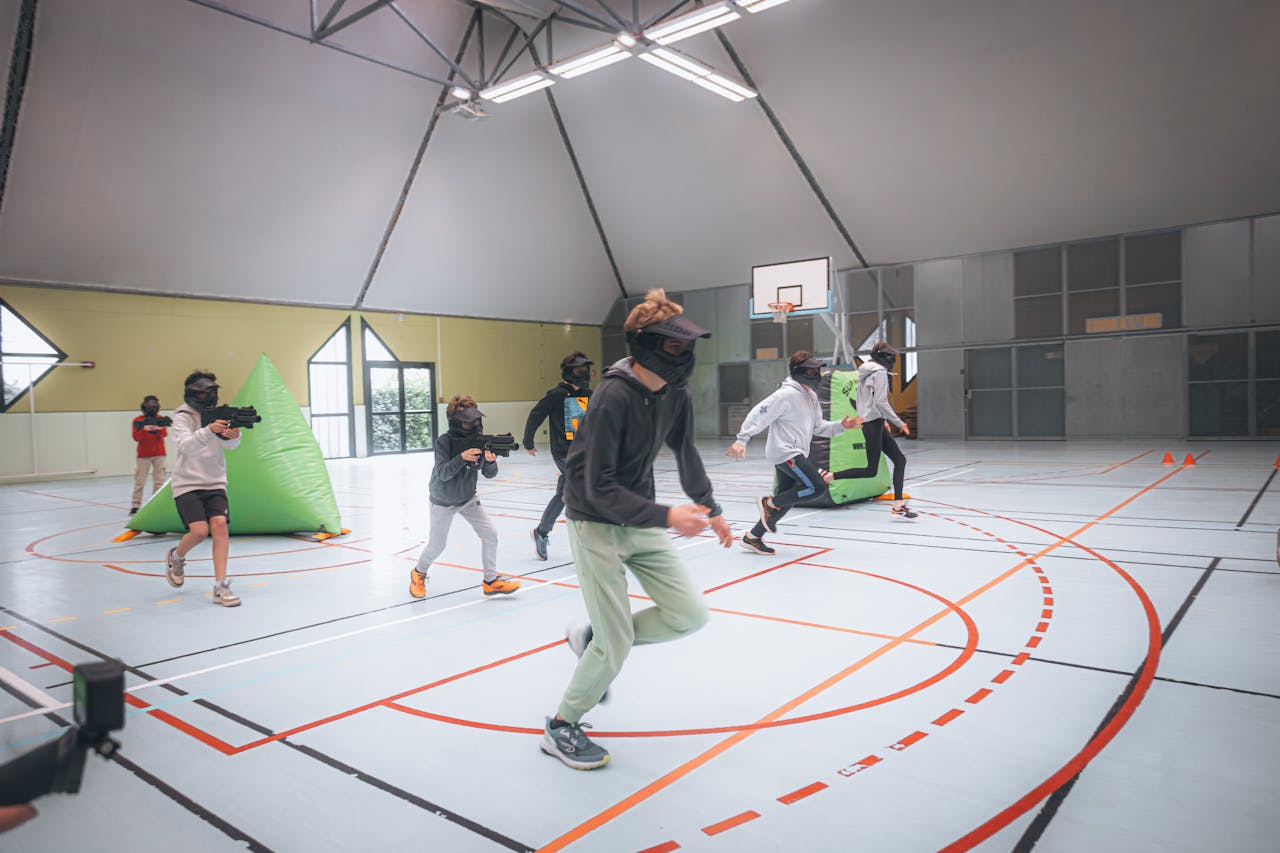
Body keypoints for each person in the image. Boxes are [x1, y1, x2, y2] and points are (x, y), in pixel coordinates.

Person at [540, 289, 733, 771]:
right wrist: (670, 516)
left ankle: (593, 641)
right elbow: (597, 487)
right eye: (673, 346)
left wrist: (709, 507)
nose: (684, 355)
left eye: (686, 346)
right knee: (617, 643)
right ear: (646, 344)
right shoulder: (611, 398)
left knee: (688, 615)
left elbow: (685, 451)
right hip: (596, 523)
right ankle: (562, 725)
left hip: (640, 518)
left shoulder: (675, 393)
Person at [727, 352, 861, 554]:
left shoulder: (812, 396)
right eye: (811, 370)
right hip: (784, 452)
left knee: (787, 498)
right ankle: (768, 503)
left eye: (817, 369)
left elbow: (819, 427)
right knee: (816, 487)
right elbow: (759, 413)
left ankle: (752, 537)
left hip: (796, 452)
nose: (816, 373)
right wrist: (742, 439)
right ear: (799, 372)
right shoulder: (785, 395)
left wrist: (842, 425)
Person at [409, 396, 521, 599]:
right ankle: (418, 573)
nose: (475, 425)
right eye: (469, 421)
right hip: (443, 501)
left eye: (477, 420)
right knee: (437, 546)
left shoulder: (480, 440)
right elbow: (443, 473)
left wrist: (490, 461)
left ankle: (490, 581)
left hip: (468, 498)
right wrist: (462, 458)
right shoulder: (444, 441)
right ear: (456, 422)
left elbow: (489, 474)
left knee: (490, 535)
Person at [164, 372, 242, 606]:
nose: (207, 397)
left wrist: (232, 436)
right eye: (202, 392)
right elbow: (186, 446)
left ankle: (221, 586)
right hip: (187, 483)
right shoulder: (182, 416)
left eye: (211, 392)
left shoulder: (221, 414)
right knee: (198, 532)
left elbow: (232, 446)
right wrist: (209, 429)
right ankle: (176, 557)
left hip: (215, 481)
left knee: (219, 526)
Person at [832, 342, 917, 520]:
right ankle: (831, 476)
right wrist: (898, 422)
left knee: (900, 460)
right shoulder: (878, 372)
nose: (892, 359)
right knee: (870, 470)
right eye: (889, 356)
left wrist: (882, 420)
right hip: (872, 424)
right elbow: (880, 402)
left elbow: (864, 401)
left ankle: (898, 505)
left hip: (875, 422)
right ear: (880, 357)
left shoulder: (865, 371)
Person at [522, 352, 593, 561]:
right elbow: (536, 415)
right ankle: (585, 548)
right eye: (579, 369)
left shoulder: (588, 394)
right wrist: (529, 441)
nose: (584, 373)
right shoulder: (556, 394)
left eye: (585, 369)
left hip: (583, 452)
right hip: (563, 452)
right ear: (569, 372)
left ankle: (541, 532)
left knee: (563, 494)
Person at [130, 395, 167, 514]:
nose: (152, 408)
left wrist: (157, 429)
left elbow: (164, 433)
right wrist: (145, 430)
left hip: (159, 454)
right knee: (140, 481)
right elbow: (136, 437)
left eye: (154, 405)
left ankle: (156, 504)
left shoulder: (161, 418)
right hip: (143, 455)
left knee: (159, 481)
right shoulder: (138, 420)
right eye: (149, 406)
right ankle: (136, 505)